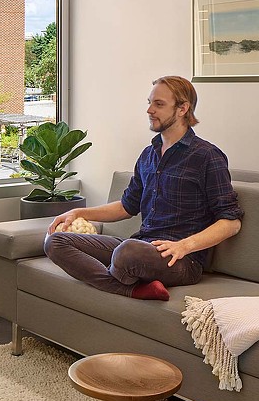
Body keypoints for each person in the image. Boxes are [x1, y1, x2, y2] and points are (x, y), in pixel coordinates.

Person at [44, 76, 243, 301]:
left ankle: (120, 278)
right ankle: (131, 289)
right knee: (55, 241)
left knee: (127, 252)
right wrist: (79, 212)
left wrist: (184, 246)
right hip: (141, 246)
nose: (149, 110)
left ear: (182, 108)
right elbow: (127, 206)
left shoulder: (206, 156)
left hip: (180, 260)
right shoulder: (148, 155)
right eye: (149, 102)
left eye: (159, 104)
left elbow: (231, 222)